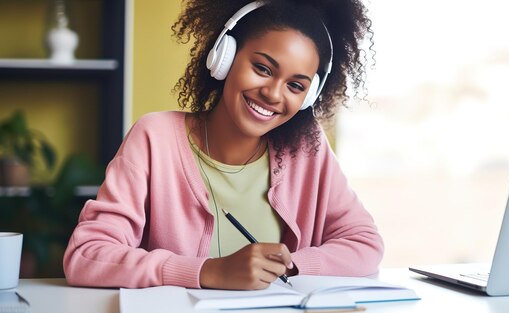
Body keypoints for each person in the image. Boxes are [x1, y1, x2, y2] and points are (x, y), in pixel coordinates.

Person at [63, 0, 383, 290]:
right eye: (262, 68)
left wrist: (289, 266)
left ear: (308, 97)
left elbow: (365, 243)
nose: (273, 94)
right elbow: (87, 256)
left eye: (295, 85)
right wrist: (208, 272)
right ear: (224, 57)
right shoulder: (154, 138)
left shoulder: (307, 149)